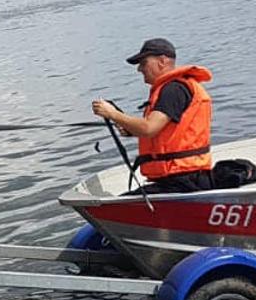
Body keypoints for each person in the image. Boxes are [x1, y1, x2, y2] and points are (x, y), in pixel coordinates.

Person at [92, 38, 215, 193]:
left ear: (162, 61)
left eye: (143, 63)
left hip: (184, 180)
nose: (139, 69)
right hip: (183, 177)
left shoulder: (173, 90)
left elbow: (149, 128)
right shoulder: (174, 88)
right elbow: (160, 130)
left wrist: (112, 114)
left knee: (118, 204)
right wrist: (130, 129)